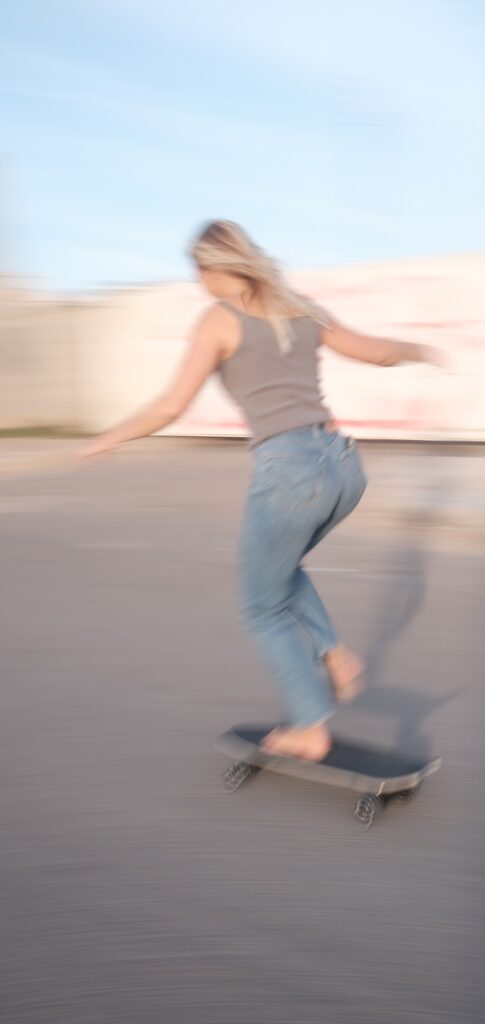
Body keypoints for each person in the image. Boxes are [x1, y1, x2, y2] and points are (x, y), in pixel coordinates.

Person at [78, 220, 446, 761]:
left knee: (261, 608)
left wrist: (109, 438)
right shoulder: (300, 308)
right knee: (281, 570)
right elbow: (374, 352)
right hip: (343, 464)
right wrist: (421, 349)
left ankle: (309, 725)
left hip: (291, 473)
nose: (199, 281)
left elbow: (171, 405)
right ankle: (336, 654)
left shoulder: (218, 320)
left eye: (198, 270)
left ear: (214, 267)